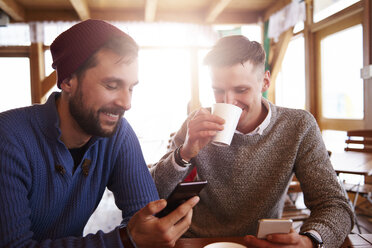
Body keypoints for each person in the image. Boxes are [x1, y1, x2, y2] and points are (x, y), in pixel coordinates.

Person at [0, 19, 199, 248]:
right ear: (67, 81)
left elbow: (146, 216)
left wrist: (156, 230)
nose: (126, 103)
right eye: (111, 85)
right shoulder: (8, 137)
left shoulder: (118, 133)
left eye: (131, 88)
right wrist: (125, 240)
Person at [150, 35, 354, 248]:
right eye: (218, 90)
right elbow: (151, 193)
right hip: (199, 242)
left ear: (265, 82)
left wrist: (309, 241)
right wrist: (183, 153)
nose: (228, 101)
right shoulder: (196, 123)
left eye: (241, 90)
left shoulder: (298, 126)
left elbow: (336, 205)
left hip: (261, 243)